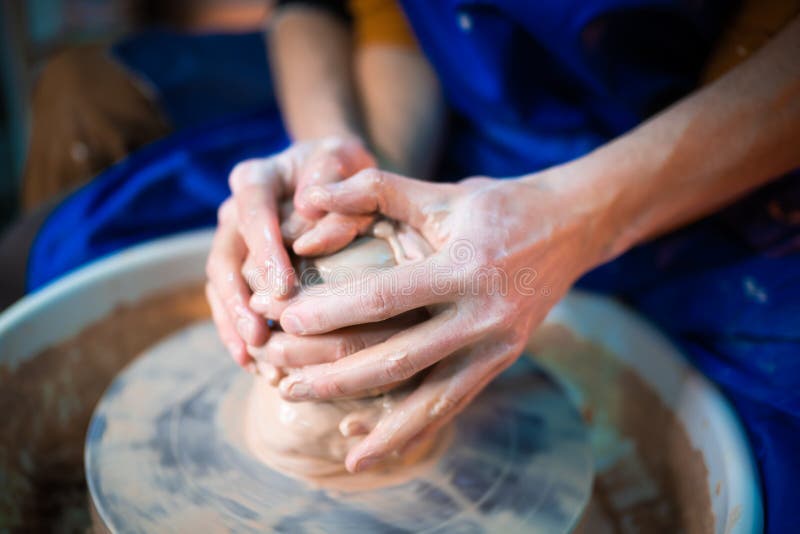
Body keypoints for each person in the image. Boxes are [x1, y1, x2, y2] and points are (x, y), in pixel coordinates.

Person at [205, 1, 800, 532]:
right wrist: (352, 184)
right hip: (463, 132)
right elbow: (377, 16)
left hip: (723, 164)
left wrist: (578, 217)